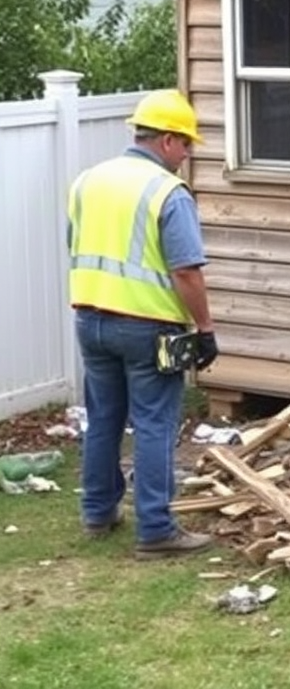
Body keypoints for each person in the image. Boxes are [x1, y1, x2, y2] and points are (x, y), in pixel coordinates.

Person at [68, 88, 219, 559]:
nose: (188, 154)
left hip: (90, 318)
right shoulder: (167, 193)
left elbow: (76, 244)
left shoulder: (87, 181)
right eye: (187, 144)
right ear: (168, 140)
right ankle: (155, 529)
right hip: (148, 326)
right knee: (154, 422)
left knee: (104, 418)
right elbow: (186, 270)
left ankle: (98, 511)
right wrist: (205, 328)